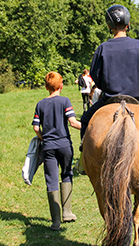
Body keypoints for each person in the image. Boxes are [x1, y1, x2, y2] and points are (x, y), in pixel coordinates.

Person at [78, 4, 139, 172]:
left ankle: (83, 159)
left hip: (110, 99)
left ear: (109, 26)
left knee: (86, 120)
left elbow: (95, 76)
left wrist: (105, 85)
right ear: (128, 24)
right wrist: (137, 82)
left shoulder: (102, 48)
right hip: (137, 98)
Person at [32, 71, 81, 231]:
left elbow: (36, 127)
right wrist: (89, 126)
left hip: (48, 147)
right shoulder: (64, 101)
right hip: (65, 145)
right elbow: (73, 122)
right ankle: (67, 213)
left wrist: (43, 138)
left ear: (46, 87)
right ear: (61, 86)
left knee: (51, 180)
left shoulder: (40, 104)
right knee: (67, 174)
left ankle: (55, 222)